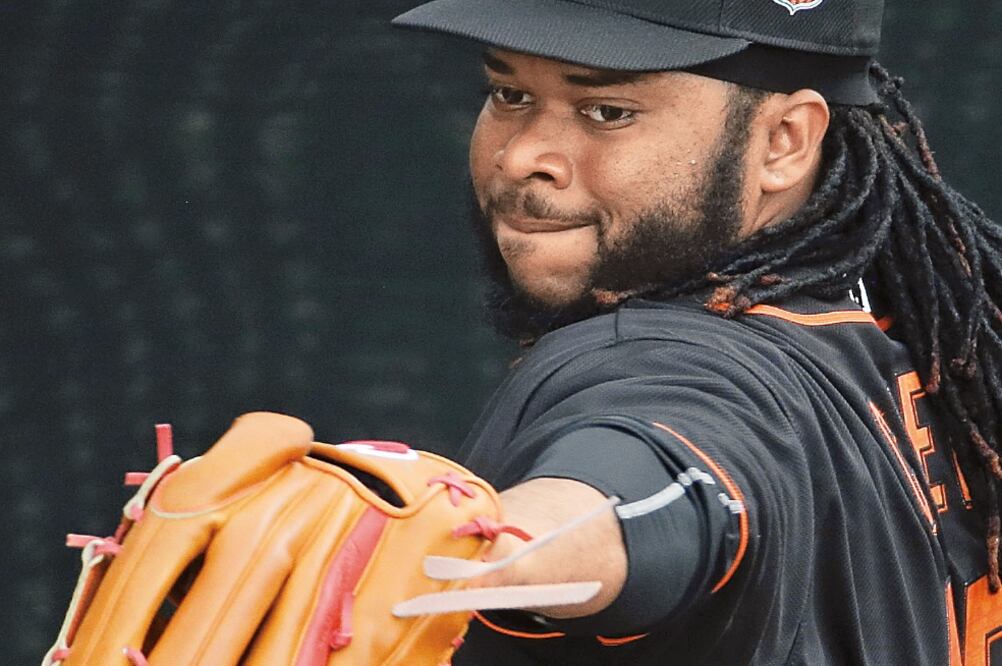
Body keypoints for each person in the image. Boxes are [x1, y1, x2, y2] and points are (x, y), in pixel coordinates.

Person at [391, 1, 1002, 664]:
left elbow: (647, 490)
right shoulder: (925, 335)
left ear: (784, 141)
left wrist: (479, 545)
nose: (520, 158)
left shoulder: (673, 361)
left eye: (607, 111)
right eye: (509, 95)